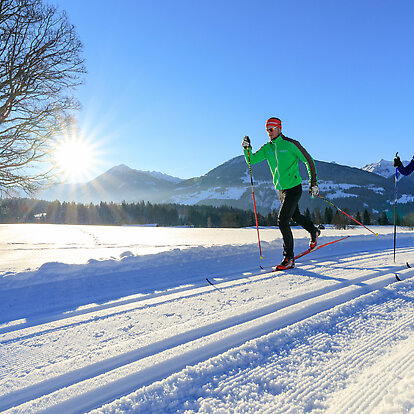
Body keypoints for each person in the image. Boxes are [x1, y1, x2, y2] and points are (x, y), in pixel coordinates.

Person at [242, 117, 320, 270]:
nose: (269, 133)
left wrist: (313, 182)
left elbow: (308, 160)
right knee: (295, 216)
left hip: (294, 188)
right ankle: (313, 230)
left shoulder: (291, 145)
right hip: (281, 190)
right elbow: (252, 160)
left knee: (282, 220)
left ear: (279, 128)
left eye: (271, 129)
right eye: (267, 130)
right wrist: (246, 149)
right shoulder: (268, 148)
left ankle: (289, 258)